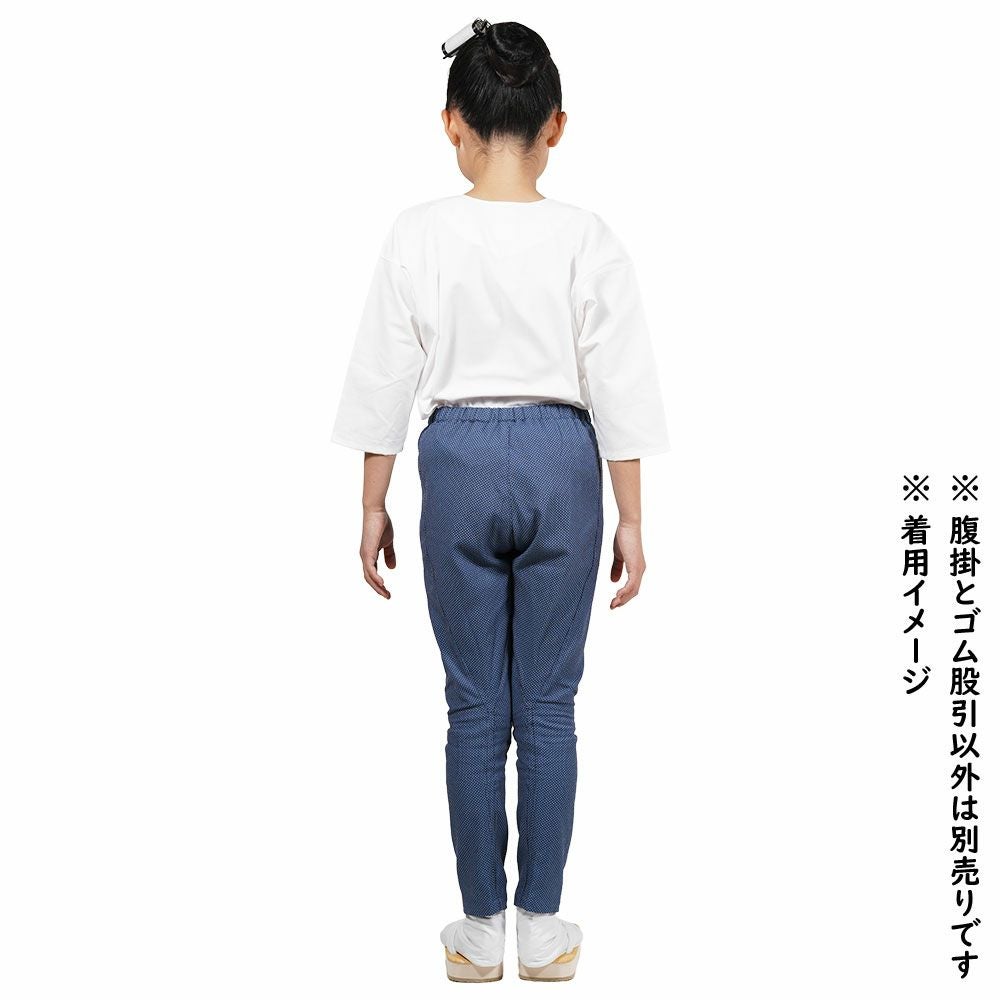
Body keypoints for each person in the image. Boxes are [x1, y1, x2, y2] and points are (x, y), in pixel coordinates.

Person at [330, 19, 670, 984]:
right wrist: (633, 518)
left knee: (475, 707)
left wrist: (372, 503)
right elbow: (620, 385)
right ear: (556, 124)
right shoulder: (588, 238)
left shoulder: (419, 232)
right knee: (549, 706)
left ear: (454, 123)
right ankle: (545, 931)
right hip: (565, 460)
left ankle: (480, 934)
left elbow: (384, 375)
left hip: (459, 461)